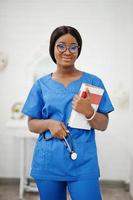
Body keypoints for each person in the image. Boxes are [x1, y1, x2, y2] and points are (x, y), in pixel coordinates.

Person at [22, 25, 114, 200]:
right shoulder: (41, 85)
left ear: (78, 50)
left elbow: (104, 124)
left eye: (73, 47)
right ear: (53, 48)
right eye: (61, 46)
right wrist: (49, 124)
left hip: (83, 163)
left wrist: (89, 112)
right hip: (48, 161)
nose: (67, 51)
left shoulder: (93, 82)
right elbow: (31, 123)